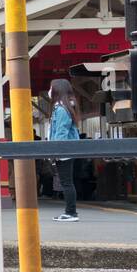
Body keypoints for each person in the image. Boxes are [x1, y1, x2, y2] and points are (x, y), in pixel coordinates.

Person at [47, 79, 79, 222]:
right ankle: (70, 212)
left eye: (51, 88)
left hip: (63, 152)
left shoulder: (61, 109)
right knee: (67, 182)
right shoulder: (65, 107)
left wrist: (56, 152)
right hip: (66, 150)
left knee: (66, 182)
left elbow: (61, 132)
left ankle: (71, 212)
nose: (49, 91)